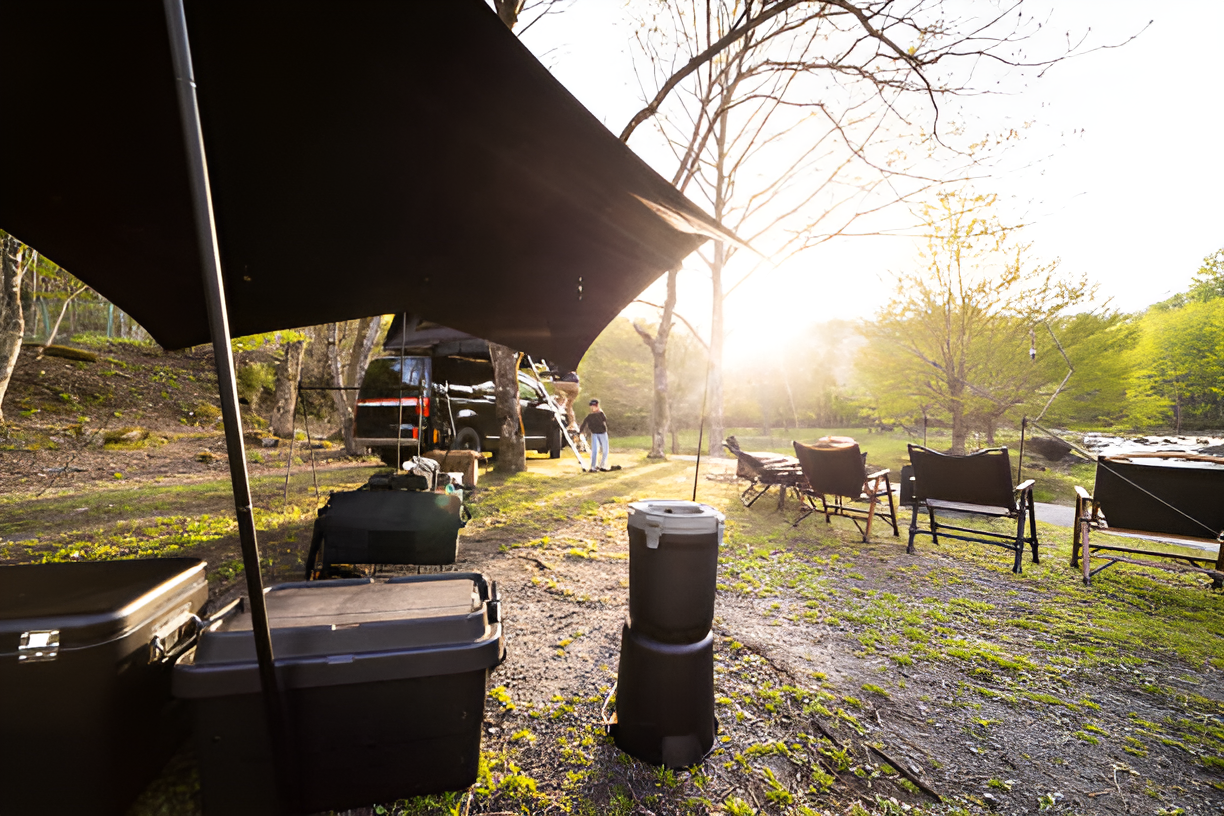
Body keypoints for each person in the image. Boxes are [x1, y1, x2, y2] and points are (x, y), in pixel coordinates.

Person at [578, 398, 610, 472]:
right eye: (592, 406)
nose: (593, 408)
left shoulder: (601, 414)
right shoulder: (590, 416)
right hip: (594, 433)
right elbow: (584, 424)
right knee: (595, 450)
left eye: (594, 406)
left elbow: (604, 420)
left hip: (602, 433)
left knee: (605, 450)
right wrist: (581, 431)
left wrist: (599, 412)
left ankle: (602, 465)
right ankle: (593, 467)